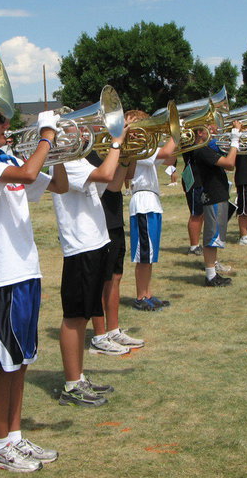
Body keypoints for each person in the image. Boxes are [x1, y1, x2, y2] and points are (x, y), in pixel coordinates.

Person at [0, 104, 67, 473]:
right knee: (4, 363)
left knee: (20, 362)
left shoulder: (7, 157)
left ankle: (15, 436)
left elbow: (60, 185)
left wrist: (63, 147)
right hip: (3, 273)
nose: (7, 124)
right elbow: (28, 171)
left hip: (27, 270)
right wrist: (46, 136)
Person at [51, 120, 129, 405]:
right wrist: (117, 142)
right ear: (61, 137)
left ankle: (78, 377)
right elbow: (106, 172)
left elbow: (112, 184)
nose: (85, 134)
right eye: (76, 130)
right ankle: (71, 385)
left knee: (83, 315)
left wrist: (126, 153)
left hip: (95, 241)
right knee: (74, 317)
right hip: (80, 245)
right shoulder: (65, 161)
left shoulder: (78, 160)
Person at [85, 148, 143, 355]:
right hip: (101, 221)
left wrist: (133, 153)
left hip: (114, 218)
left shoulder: (108, 150)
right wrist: (121, 150)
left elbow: (129, 175)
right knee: (102, 280)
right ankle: (99, 336)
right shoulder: (91, 154)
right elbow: (112, 185)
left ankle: (113, 330)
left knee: (115, 277)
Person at [126, 110, 178, 311]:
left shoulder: (146, 149)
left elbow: (170, 159)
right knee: (144, 255)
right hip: (143, 203)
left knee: (151, 255)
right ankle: (140, 296)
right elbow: (165, 153)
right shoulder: (136, 149)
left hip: (152, 201)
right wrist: (176, 131)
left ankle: (148, 293)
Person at [190, 122, 242, 286]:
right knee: (212, 236)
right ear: (199, 132)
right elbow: (229, 164)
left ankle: (212, 274)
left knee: (216, 236)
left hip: (217, 193)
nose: (212, 131)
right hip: (213, 195)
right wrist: (234, 139)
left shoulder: (205, 148)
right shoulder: (201, 150)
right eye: (207, 128)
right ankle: (211, 276)